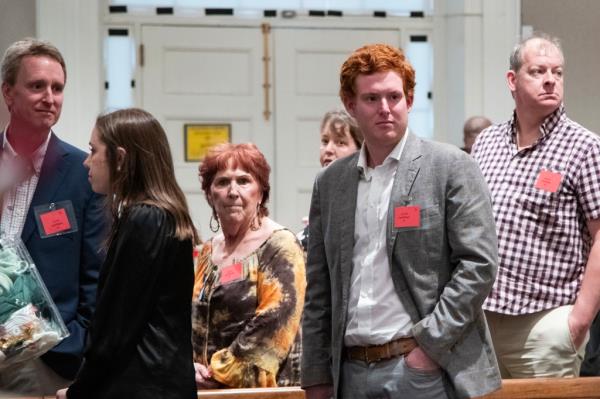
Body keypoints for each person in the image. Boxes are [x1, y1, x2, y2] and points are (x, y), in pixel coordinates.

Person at [301, 43, 501, 399]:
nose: (385, 109)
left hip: (421, 368)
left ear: (409, 100)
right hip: (349, 372)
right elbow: (319, 285)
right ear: (351, 105)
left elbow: (478, 265)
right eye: (372, 99)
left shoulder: (450, 166)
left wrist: (428, 349)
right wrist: (316, 375)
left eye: (394, 97)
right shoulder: (330, 183)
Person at [471, 32, 600, 378]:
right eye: (538, 71)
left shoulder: (585, 147)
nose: (550, 80)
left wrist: (577, 322)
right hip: (483, 320)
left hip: (547, 323)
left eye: (557, 73)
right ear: (512, 80)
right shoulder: (487, 142)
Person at [56, 108, 199, 399]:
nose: (86, 162)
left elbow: (115, 328)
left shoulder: (145, 218)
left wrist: (79, 390)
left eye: (93, 151)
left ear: (120, 158)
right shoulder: (160, 215)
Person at [0, 38, 105, 394]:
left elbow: (96, 274)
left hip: (44, 359)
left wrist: (74, 343)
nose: (49, 97)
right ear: (8, 93)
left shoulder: (85, 173)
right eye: (37, 86)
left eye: (57, 88)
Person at [193, 143, 306, 389]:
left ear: (261, 192)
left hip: (265, 392)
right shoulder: (207, 251)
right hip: (204, 392)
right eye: (222, 182)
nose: (233, 191)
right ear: (210, 194)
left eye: (244, 181)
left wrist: (216, 373)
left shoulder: (280, 245)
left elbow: (272, 326)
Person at [297, 110, 363, 250]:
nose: (328, 149)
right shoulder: (324, 188)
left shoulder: (365, 191)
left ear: (360, 149)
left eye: (340, 142)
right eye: (325, 141)